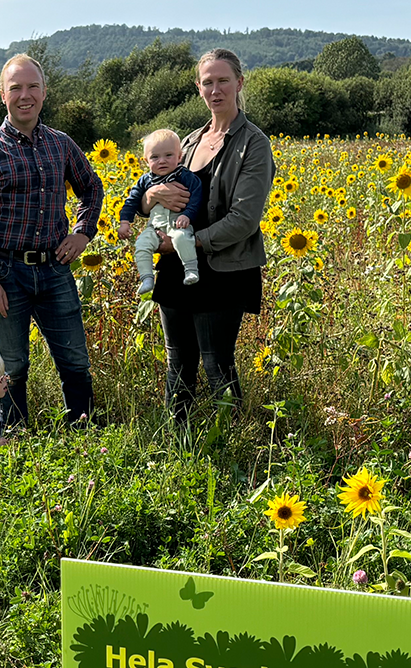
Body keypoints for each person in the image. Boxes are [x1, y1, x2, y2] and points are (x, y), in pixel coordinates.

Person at [0, 53, 105, 428]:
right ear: (3, 96)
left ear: (44, 92)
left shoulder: (61, 144)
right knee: (12, 364)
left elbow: (91, 188)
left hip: (55, 268)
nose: (25, 95)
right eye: (16, 88)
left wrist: (82, 232)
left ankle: (84, 433)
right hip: (7, 272)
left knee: (74, 358)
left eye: (32, 87)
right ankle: (14, 439)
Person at [143, 48, 276, 424]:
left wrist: (190, 242)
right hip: (175, 266)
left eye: (223, 81)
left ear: (239, 83)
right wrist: (151, 197)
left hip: (223, 267)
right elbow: (155, 192)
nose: (215, 89)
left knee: (216, 363)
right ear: (198, 88)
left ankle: (234, 440)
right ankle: (178, 440)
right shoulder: (186, 142)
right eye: (207, 82)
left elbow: (244, 220)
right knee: (177, 361)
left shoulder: (253, 144)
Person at [118, 129, 204, 296]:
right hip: (155, 227)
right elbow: (131, 202)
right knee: (142, 244)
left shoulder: (185, 177)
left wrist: (188, 215)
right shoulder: (145, 180)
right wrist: (124, 223)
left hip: (177, 223)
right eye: (155, 157)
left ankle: (191, 269)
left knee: (182, 238)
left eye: (169, 155)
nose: (162, 161)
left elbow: (197, 196)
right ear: (146, 160)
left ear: (180, 156)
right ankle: (146, 277)